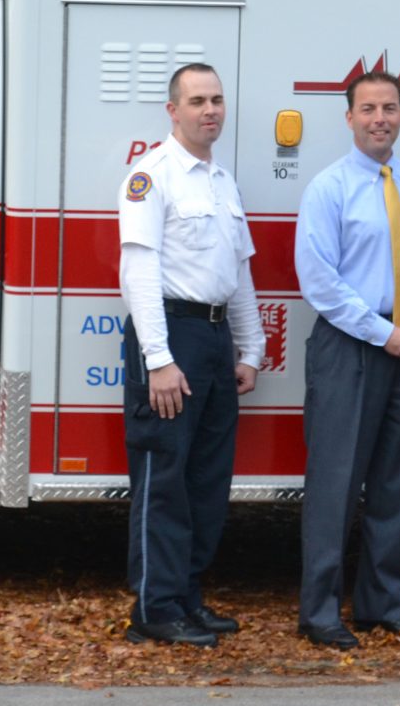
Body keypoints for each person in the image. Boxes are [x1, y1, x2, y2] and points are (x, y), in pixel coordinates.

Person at [293, 70, 400, 650]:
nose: (379, 118)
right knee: (336, 484)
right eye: (368, 109)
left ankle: (381, 606)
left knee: (396, 483)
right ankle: (318, 613)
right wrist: (384, 332)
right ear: (349, 118)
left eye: (389, 107)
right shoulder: (328, 188)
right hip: (350, 348)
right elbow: (320, 281)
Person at [117, 63, 266, 647]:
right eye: (198, 100)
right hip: (170, 337)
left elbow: (240, 272)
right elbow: (139, 269)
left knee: (207, 480)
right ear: (172, 110)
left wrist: (250, 347)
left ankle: (187, 599)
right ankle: (154, 608)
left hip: (212, 338)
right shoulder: (151, 176)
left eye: (218, 100)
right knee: (165, 477)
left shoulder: (222, 180)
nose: (210, 110)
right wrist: (157, 359)